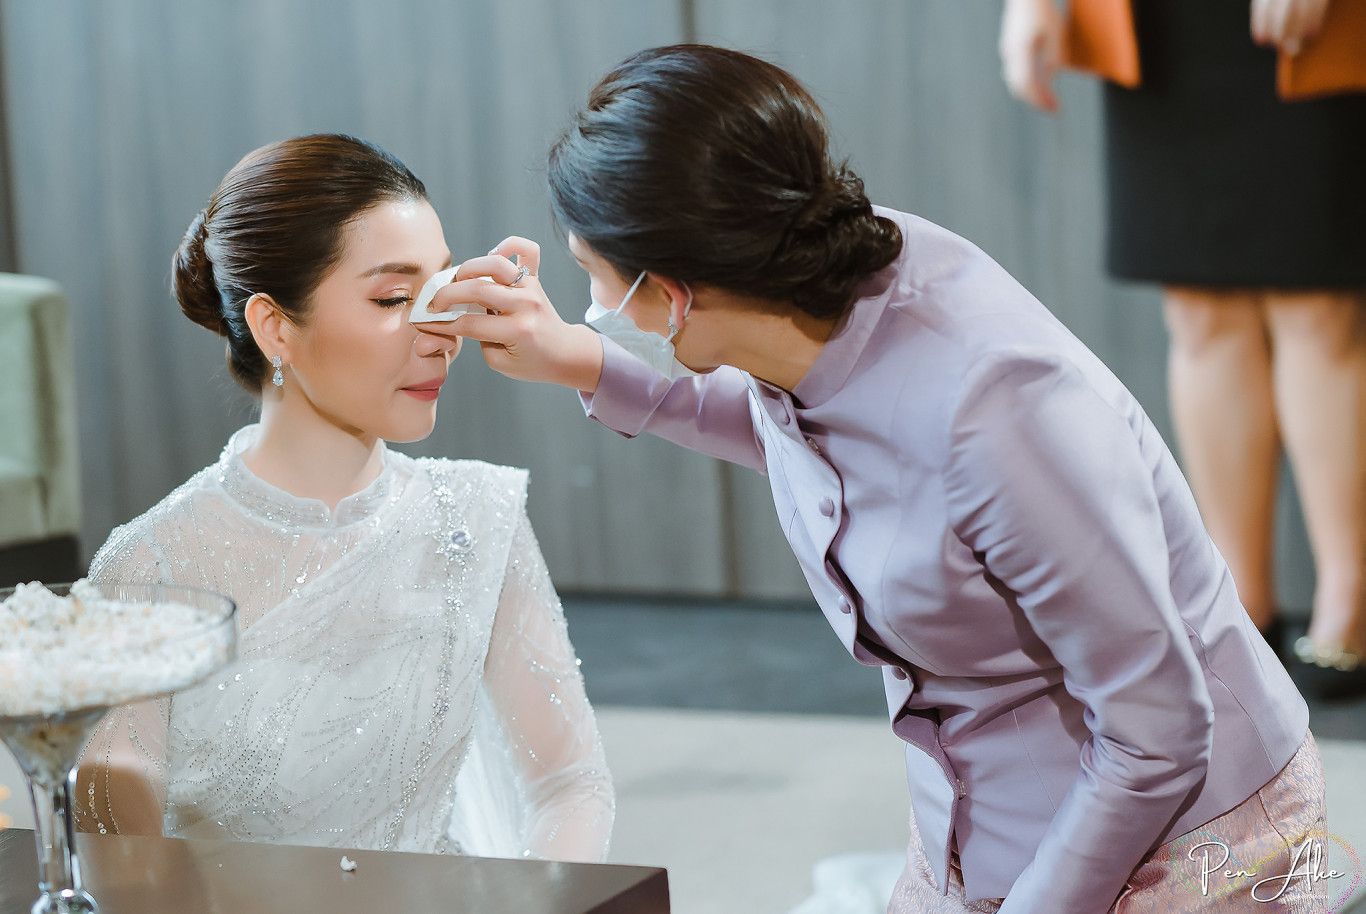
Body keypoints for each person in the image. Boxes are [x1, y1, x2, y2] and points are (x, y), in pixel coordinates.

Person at [421, 46, 1327, 911]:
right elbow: (796, 430)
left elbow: (1157, 733)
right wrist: (577, 359)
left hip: (1189, 834)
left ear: (675, 292)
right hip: (984, 815)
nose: (591, 308)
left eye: (594, 279)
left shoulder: (999, 413)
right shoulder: (810, 290)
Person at [75, 134, 614, 863]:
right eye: (394, 298)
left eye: (442, 290)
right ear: (275, 328)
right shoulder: (152, 568)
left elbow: (569, 784)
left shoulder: (476, 518)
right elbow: (121, 862)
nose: (443, 332)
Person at [1000, 0, 1366, 699]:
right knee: (1200, 307)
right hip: (1168, 22)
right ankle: (1239, 605)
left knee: (1319, 304)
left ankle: (1350, 602)